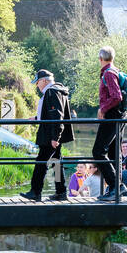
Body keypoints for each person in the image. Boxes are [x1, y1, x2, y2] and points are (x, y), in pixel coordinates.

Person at [22, 69, 74, 201]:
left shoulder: (51, 92)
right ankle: (61, 191)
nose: (37, 85)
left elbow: (57, 115)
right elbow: (52, 113)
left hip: (50, 135)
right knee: (56, 162)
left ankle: (35, 191)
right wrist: (37, 117)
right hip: (54, 133)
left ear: (44, 80)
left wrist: (55, 137)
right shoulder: (58, 90)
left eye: (38, 82)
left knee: (41, 162)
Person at [92, 46, 127, 197]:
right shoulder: (115, 71)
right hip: (120, 116)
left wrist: (102, 109)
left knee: (98, 151)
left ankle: (116, 185)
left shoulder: (108, 73)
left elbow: (116, 97)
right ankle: (115, 189)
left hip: (112, 116)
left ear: (100, 59)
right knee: (114, 152)